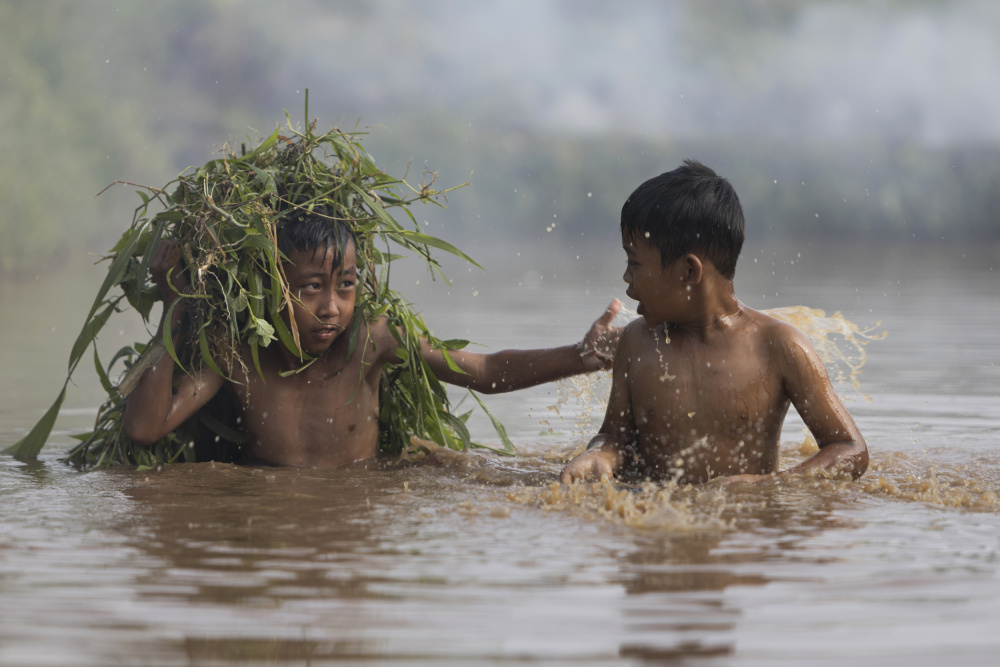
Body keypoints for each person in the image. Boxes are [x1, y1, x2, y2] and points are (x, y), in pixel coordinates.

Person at [124, 214, 621, 468]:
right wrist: (176, 307)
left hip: (365, 493)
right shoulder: (238, 353)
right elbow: (146, 429)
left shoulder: (373, 339)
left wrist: (584, 356)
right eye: (312, 287)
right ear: (270, 287)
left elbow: (485, 372)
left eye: (346, 285)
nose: (331, 308)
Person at [560, 160, 867, 486]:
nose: (626, 277)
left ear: (689, 272)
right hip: (657, 530)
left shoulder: (777, 347)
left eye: (634, 262)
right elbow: (614, 435)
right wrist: (599, 454)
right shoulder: (637, 342)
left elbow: (851, 449)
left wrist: (770, 485)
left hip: (741, 532)